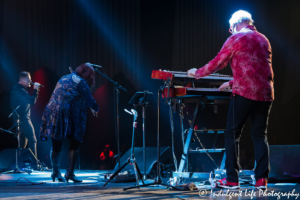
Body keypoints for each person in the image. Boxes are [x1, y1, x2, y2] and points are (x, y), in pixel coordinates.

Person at [187, 10, 274, 190]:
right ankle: (261, 180)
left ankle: (232, 180)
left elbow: (218, 62)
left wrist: (197, 73)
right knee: (260, 135)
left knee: (231, 134)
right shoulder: (263, 39)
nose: (231, 31)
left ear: (236, 25)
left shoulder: (237, 39)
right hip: (265, 93)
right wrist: (233, 81)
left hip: (244, 93)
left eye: (231, 28)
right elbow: (258, 69)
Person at [40, 63, 99, 183]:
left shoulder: (64, 77)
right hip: (65, 112)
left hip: (52, 110)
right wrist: (96, 108)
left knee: (56, 142)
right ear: (87, 74)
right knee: (75, 142)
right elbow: (90, 100)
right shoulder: (81, 82)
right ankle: (70, 173)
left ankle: (55, 172)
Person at [10, 71, 42, 166]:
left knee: (23, 144)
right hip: (23, 119)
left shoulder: (18, 89)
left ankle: (21, 164)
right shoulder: (19, 90)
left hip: (19, 119)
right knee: (32, 140)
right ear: (22, 80)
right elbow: (32, 101)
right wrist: (35, 89)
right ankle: (34, 164)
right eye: (28, 79)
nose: (30, 81)